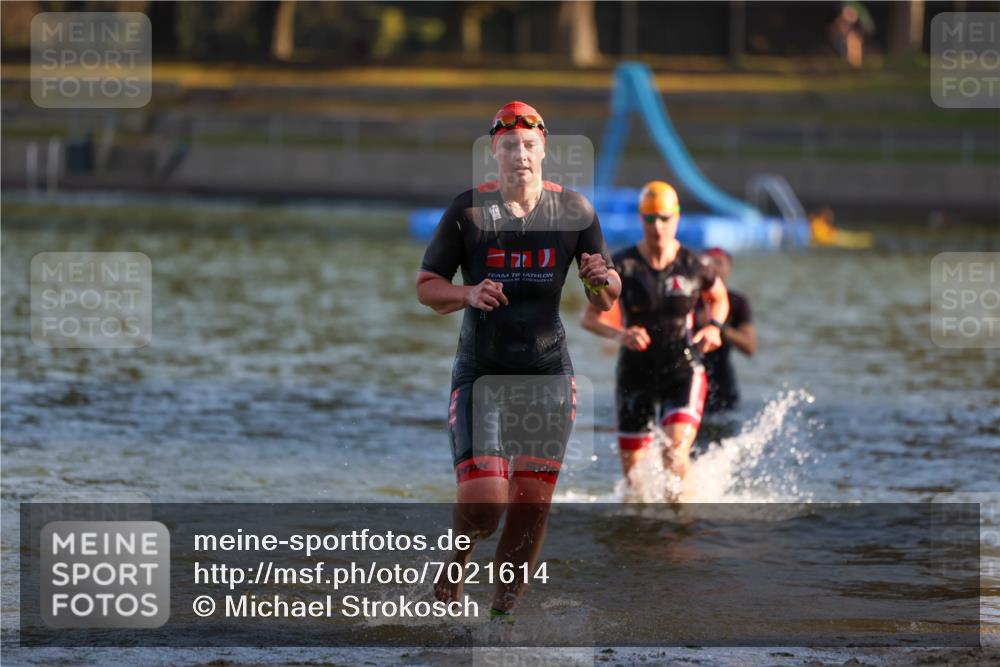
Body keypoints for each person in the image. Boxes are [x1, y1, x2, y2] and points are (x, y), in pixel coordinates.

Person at [416, 101, 621, 618]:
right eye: (510, 146)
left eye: (529, 145)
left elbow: (606, 297)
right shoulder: (467, 212)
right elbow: (427, 287)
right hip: (482, 372)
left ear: (544, 149)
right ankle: (457, 560)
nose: (521, 155)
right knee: (486, 505)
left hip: (547, 373)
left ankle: (500, 620)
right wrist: (466, 293)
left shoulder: (574, 211)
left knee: (531, 507)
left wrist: (601, 280)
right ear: (495, 153)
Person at [580, 181, 728, 498]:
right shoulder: (623, 265)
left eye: (663, 218)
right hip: (635, 374)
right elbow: (589, 318)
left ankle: (684, 519)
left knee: (673, 455)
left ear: (676, 217)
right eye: (649, 218)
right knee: (634, 483)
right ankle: (645, 527)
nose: (657, 226)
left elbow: (719, 298)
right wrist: (621, 334)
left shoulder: (696, 264)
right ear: (641, 219)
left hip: (682, 370)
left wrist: (715, 327)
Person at [695, 248, 756, 414]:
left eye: (719, 263)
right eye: (708, 263)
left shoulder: (737, 302)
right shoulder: (688, 298)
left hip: (722, 378)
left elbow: (749, 347)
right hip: (689, 371)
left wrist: (716, 326)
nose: (713, 267)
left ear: (729, 268)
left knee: (725, 421)